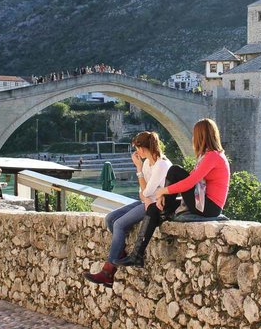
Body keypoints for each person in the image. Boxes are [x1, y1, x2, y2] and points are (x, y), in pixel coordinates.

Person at [115, 119, 229, 268]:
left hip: (210, 207)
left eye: (195, 135)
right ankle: (137, 255)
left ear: (201, 136)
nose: (193, 139)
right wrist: (163, 196)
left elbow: (189, 182)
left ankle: (164, 211)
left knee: (175, 170)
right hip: (201, 201)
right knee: (153, 208)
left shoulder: (213, 157)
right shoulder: (207, 156)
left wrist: (163, 191)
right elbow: (190, 180)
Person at [83, 132, 171, 287]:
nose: (136, 152)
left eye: (136, 148)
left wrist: (138, 169)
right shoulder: (147, 163)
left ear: (142, 149)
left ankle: (108, 271)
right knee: (110, 218)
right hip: (146, 202)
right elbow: (142, 192)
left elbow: (147, 192)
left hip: (155, 206)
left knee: (119, 225)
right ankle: (120, 252)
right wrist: (145, 194)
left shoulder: (161, 165)